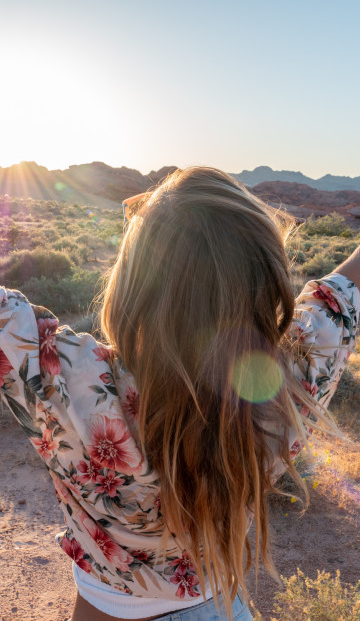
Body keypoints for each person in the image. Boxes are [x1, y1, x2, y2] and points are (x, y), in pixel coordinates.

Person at [0, 166, 359, 621]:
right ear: (263, 283)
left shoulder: (68, 378)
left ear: (133, 281)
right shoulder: (291, 383)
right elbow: (338, 297)